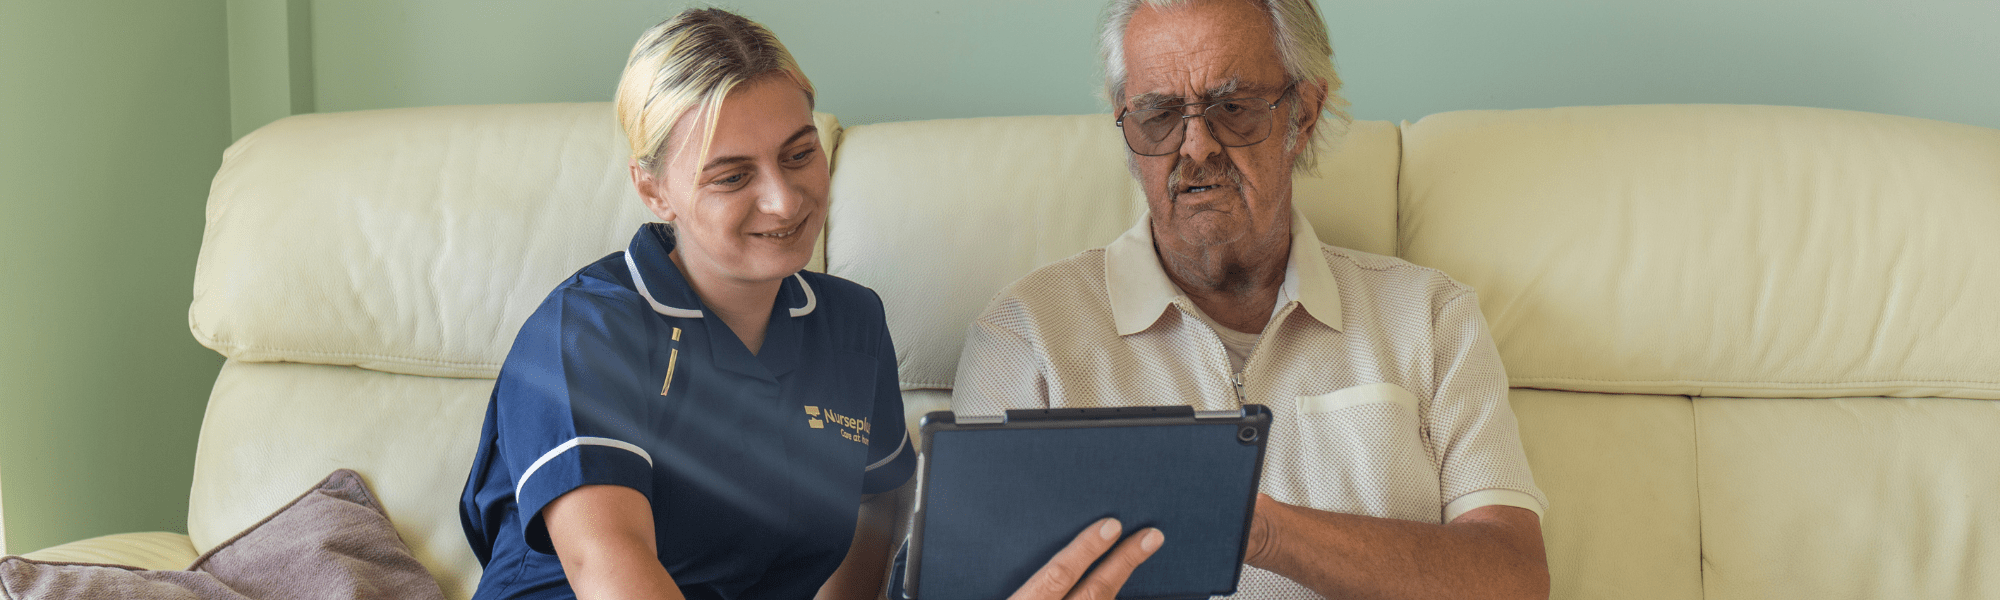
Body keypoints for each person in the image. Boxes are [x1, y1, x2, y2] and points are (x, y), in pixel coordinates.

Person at [459, 8, 1160, 600]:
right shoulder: (585, 332)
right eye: (732, 175)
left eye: (798, 155)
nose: (785, 200)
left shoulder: (851, 327)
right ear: (653, 191)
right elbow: (607, 567)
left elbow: (881, 505)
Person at [951, 1, 1551, 599]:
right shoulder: (1026, 335)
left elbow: (1513, 577)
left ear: (1304, 114)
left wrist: (1259, 529)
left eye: (1232, 109)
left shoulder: (1430, 316)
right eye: (1158, 115)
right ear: (1127, 131)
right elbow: (958, 579)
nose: (1195, 148)